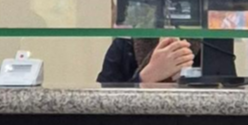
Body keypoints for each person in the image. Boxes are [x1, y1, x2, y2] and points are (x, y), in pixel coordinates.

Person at [99, 34, 237, 85]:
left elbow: (229, 103)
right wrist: (145, 78)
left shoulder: (211, 45)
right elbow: (100, 109)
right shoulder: (123, 46)